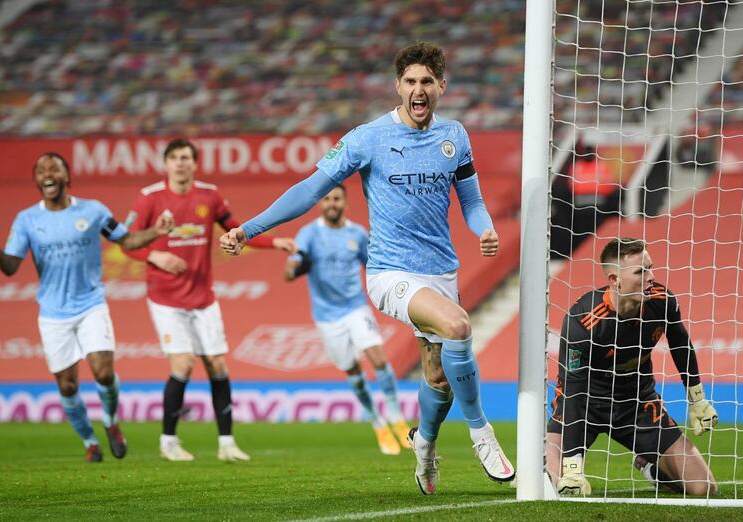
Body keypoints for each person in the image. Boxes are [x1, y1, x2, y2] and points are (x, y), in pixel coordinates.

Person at [220, 42, 515, 494]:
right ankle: (482, 434)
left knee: (438, 377)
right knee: (458, 326)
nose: (419, 90)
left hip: (440, 271)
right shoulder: (367, 138)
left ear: (441, 86)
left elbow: (471, 200)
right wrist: (250, 228)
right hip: (389, 272)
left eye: (427, 82)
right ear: (398, 86)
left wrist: (485, 229)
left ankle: (425, 445)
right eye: (411, 82)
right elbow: (310, 189)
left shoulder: (455, 135)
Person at [0, 152, 174, 462]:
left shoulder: (93, 211)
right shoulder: (27, 219)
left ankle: (110, 423)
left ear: (67, 177)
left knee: (104, 372)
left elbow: (127, 240)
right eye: (41, 170)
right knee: (67, 386)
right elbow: (10, 267)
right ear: (37, 182)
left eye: (53, 167)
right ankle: (89, 442)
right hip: (54, 314)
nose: (47, 173)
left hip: (90, 304)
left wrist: (156, 232)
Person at [124, 138, 296, 462]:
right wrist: (155, 257)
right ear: (165, 164)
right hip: (166, 299)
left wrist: (275, 243)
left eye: (186, 157)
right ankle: (168, 441)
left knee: (217, 365)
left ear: (194, 163)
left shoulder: (209, 195)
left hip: (203, 297)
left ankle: (227, 443)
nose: (180, 163)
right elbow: (126, 241)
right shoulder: (150, 199)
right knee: (184, 363)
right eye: (174, 158)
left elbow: (235, 230)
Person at [546, 238, 719, 497]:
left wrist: (698, 400)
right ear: (615, 279)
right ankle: (546, 458)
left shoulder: (662, 302)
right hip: (586, 405)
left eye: (650, 268)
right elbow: (574, 392)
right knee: (554, 485)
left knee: (704, 487)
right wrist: (573, 468)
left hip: (637, 404)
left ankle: (650, 467)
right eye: (641, 271)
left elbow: (681, 345)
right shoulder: (582, 322)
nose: (651, 277)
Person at [284, 184, 411, 456]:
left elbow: (373, 266)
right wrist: (295, 269)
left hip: (356, 307)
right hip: (327, 317)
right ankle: (377, 423)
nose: (332, 203)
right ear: (320, 203)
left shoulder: (357, 233)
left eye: (337, 198)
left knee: (378, 357)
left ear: (345, 202)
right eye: (327, 198)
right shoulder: (309, 234)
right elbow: (291, 266)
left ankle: (396, 417)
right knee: (352, 370)